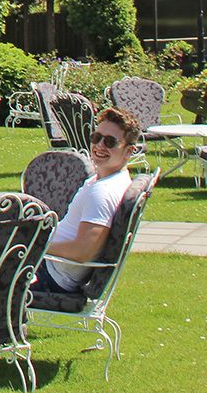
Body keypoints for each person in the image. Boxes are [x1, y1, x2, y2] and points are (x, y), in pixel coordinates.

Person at [34, 107, 140, 295]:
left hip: (49, 276)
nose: (99, 146)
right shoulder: (109, 180)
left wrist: (33, 246)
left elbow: (83, 251)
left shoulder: (103, 192)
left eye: (110, 142)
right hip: (49, 267)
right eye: (96, 137)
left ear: (128, 151)